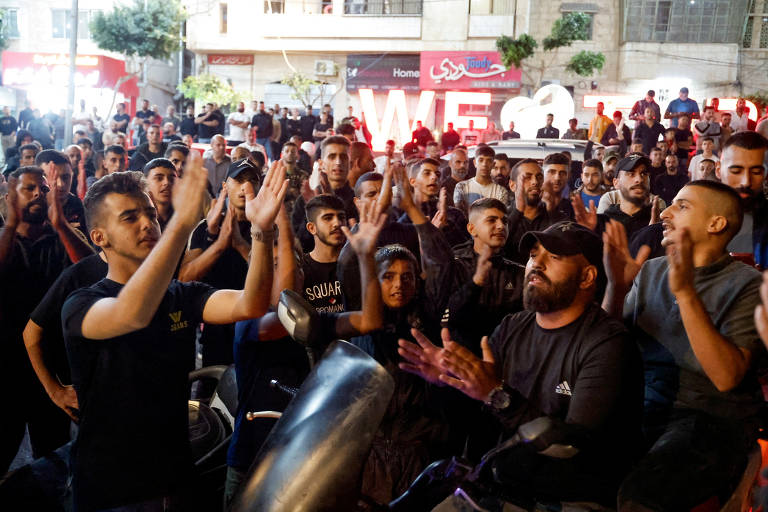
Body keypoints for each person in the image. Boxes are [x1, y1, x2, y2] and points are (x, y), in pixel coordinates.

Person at [61, 155, 288, 511]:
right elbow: (131, 313)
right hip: (112, 489)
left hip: (176, 477)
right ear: (99, 237)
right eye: (130, 217)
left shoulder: (181, 295)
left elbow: (252, 304)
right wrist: (181, 224)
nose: (147, 223)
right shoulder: (81, 303)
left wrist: (262, 233)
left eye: (150, 214)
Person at [399, 221, 643, 510]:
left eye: (553, 257)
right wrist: (451, 383)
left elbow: (573, 451)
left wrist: (495, 393)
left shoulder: (607, 345)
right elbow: (480, 416)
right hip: (503, 483)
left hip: (564, 498)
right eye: (533, 255)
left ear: (587, 277)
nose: (535, 264)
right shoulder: (513, 325)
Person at [600, 181, 764, 512]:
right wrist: (616, 288)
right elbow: (608, 345)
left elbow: (726, 378)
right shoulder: (651, 270)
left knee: (640, 498)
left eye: (682, 206)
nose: (665, 212)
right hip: (643, 404)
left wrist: (686, 292)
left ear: (716, 224)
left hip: (709, 418)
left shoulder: (749, 285)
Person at [224, 197, 386, 506]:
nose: (289, 271)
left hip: (301, 467)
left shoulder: (313, 321)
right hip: (252, 464)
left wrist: (365, 259)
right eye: (276, 266)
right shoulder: (249, 324)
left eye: (296, 265)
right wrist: (282, 224)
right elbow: (285, 310)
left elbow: (370, 319)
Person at [0, 165, 93, 474]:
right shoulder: (4, 236)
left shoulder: (62, 236)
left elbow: (93, 269)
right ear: (10, 195)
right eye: (29, 188)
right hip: (8, 364)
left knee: (50, 458)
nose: (39, 193)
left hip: (53, 363)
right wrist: (11, 226)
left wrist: (61, 224)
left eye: (43, 187)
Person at [291, 135, 358, 253]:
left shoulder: (358, 200)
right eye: (332, 157)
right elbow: (299, 243)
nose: (338, 162)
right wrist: (313, 208)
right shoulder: (306, 199)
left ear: (351, 164)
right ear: (321, 164)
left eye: (343, 157)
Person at [715, 131, 768, 264]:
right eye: (736, 171)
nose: (746, 182)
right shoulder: (695, 218)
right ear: (718, 170)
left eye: (756, 172)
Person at [300, 195, 347, 312]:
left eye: (341, 217)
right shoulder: (300, 268)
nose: (337, 223)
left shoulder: (357, 263)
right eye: (328, 218)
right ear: (311, 228)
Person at [36, 150, 87, 235]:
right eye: (53, 177)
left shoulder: (79, 206)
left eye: (66, 177)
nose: (60, 184)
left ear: (72, 175)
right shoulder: (33, 208)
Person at [453, 145, 509, 217]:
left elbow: (500, 216)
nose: (484, 164)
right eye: (481, 160)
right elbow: (460, 215)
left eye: (489, 160)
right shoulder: (461, 187)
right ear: (474, 163)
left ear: (493, 164)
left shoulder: (501, 191)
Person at [143, 158, 177, 231]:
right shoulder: (138, 218)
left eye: (172, 179)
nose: (167, 183)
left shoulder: (183, 215)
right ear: (145, 183)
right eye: (159, 178)